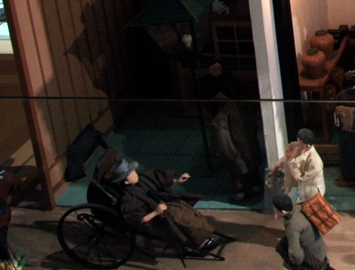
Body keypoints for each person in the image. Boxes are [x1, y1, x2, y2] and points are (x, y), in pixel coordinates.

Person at [112, 158, 218, 251]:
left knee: (183, 208)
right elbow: (139, 220)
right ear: (126, 182)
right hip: (156, 219)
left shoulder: (142, 179)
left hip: (164, 205)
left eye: (134, 171)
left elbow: (157, 179)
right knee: (178, 217)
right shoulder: (128, 200)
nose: (135, 173)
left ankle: (204, 231)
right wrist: (156, 212)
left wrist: (176, 180)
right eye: (131, 174)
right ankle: (200, 242)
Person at [272, 193, 350, 270]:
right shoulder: (298, 208)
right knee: (324, 268)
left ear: (282, 211)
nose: (273, 210)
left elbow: (295, 252)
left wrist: (296, 265)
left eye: (275, 208)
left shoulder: (293, 225)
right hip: (319, 248)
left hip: (310, 257)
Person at [202, 62, 262, 201]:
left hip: (237, 146)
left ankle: (245, 190)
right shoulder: (241, 108)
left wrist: (227, 152)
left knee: (241, 170)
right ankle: (253, 186)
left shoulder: (227, 112)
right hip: (240, 145)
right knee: (246, 167)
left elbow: (220, 134)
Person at [273, 128, 326, 203]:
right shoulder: (298, 146)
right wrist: (276, 166)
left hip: (312, 191)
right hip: (302, 189)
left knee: (312, 206)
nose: (297, 144)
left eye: (299, 143)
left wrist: (291, 161)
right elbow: (286, 158)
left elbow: (301, 178)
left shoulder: (315, 163)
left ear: (307, 146)